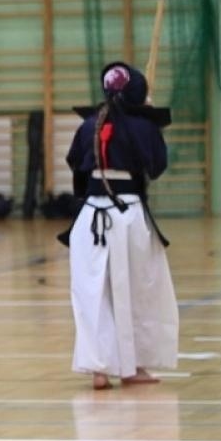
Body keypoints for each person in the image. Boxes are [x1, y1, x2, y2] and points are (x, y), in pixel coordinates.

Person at [64, 62, 177, 390]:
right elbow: (155, 167)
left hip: (91, 220)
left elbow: (76, 167)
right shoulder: (142, 127)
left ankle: (100, 369)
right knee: (139, 291)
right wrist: (149, 121)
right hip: (127, 217)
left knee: (93, 294)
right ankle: (133, 367)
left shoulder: (88, 125)